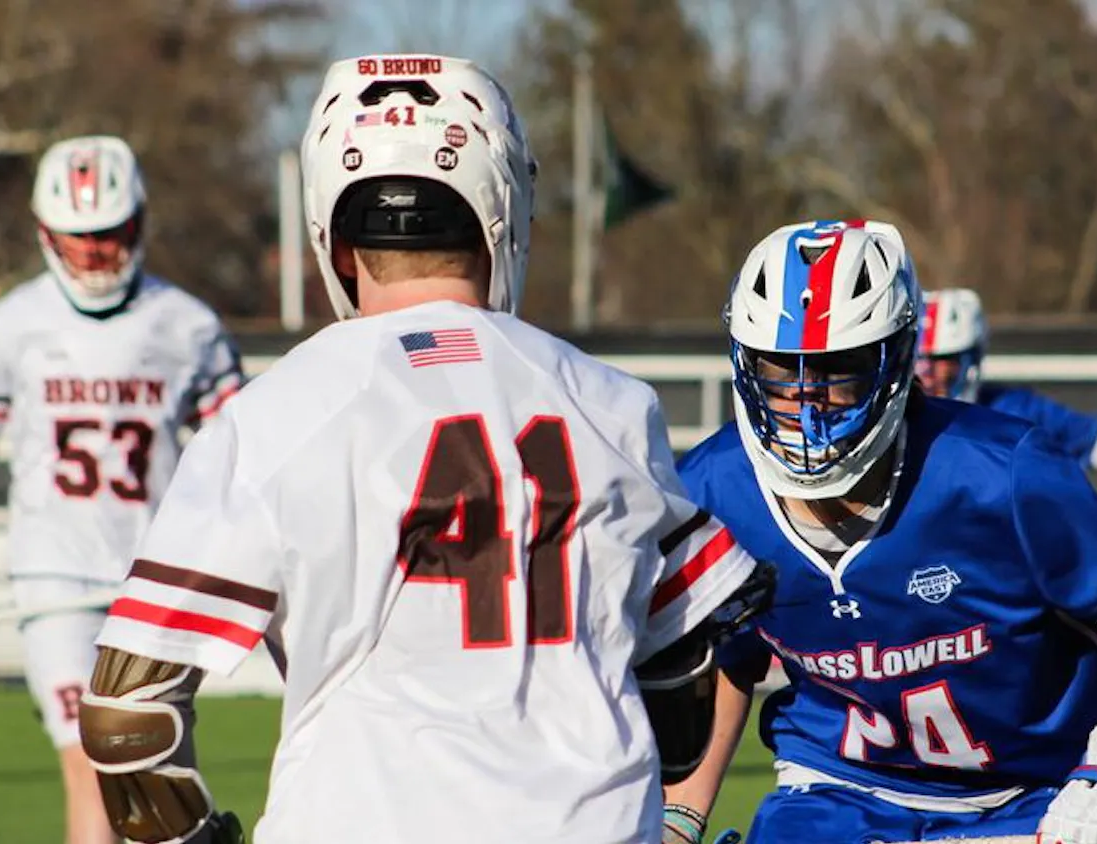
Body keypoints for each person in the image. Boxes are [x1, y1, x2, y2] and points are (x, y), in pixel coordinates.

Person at [75, 53, 772, 844]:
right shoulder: (608, 402)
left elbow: (128, 716)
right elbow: (681, 666)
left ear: (336, 239)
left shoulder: (274, 415)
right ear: (502, 210)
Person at [663, 219, 1097, 844]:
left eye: (837, 370)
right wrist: (679, 817)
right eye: (780, 371)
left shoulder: (1001, 473)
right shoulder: (715, 486)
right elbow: (728, 658)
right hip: (837, 791)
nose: (808, 403)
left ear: (897, 361)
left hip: (1035, 792)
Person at [0, 134, 245, 844]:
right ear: (45, 234)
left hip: (157, 575)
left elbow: (240, 455)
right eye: (78, 239)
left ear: (139, 224)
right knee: (96, 759)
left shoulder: (189, 327)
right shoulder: (8, 327)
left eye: (108, 235)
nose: (94, 254)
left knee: (158, 772)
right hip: (54, 574)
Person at [916, 287, 1097, 540]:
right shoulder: (887, 422)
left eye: (942, 361)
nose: (924, 376)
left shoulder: (1012, 412)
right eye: (916, 360)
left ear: (971, 361)